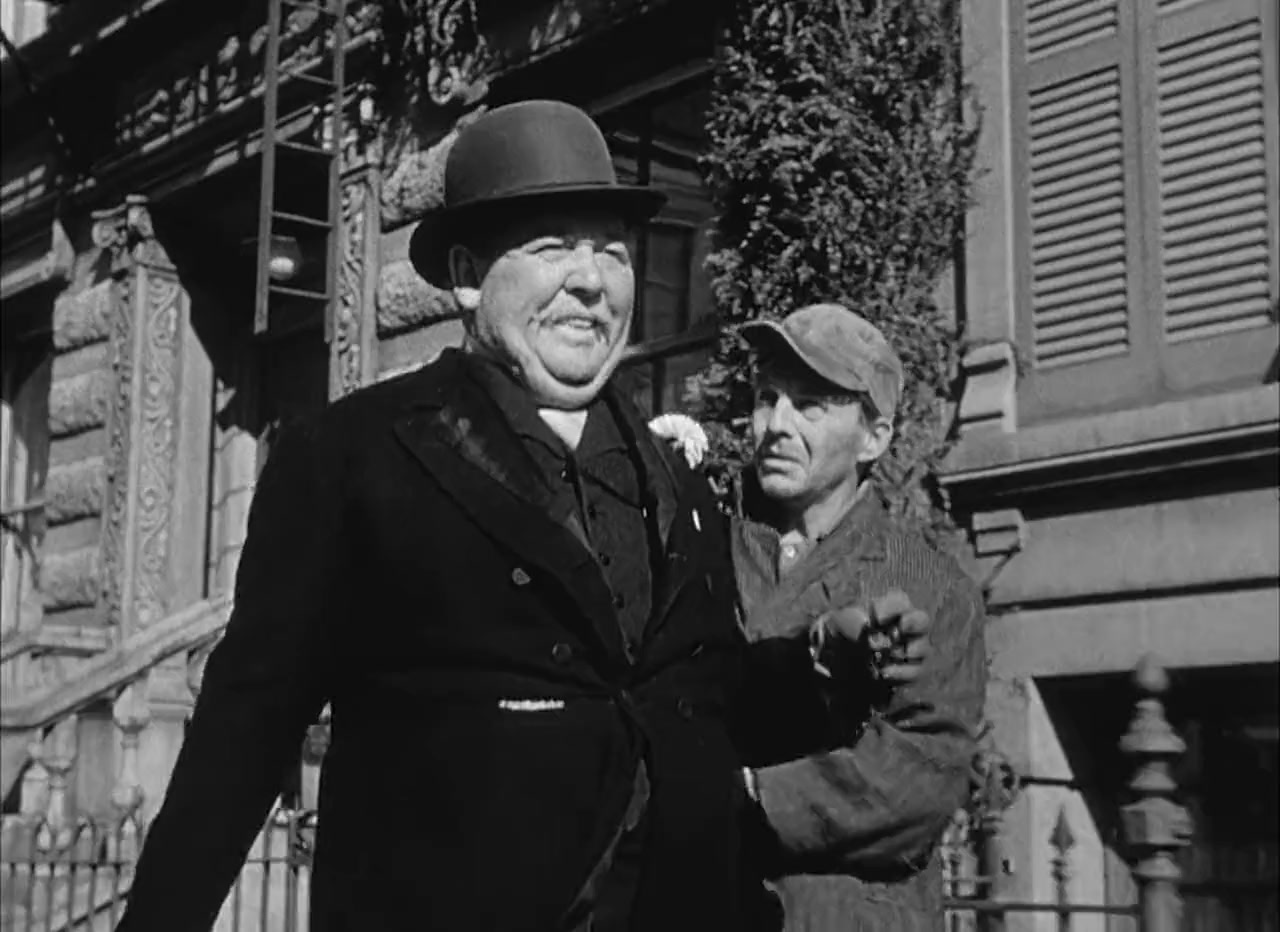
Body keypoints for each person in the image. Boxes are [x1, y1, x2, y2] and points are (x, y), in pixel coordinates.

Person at [114, 102, 930, 932]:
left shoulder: (678, 478)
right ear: (469, 274)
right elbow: (245, 731)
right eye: (552, 248)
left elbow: (697, 695)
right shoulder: (352, 457)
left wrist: (815, 669)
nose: (591, 280)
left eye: (613, 253)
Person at [731, 304, 988, 931]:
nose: (777, 425)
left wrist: (745, 795)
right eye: (767, 398)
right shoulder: (700, 550)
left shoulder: (931, 587)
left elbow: (919, 777)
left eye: (810, 405)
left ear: (874, 437)